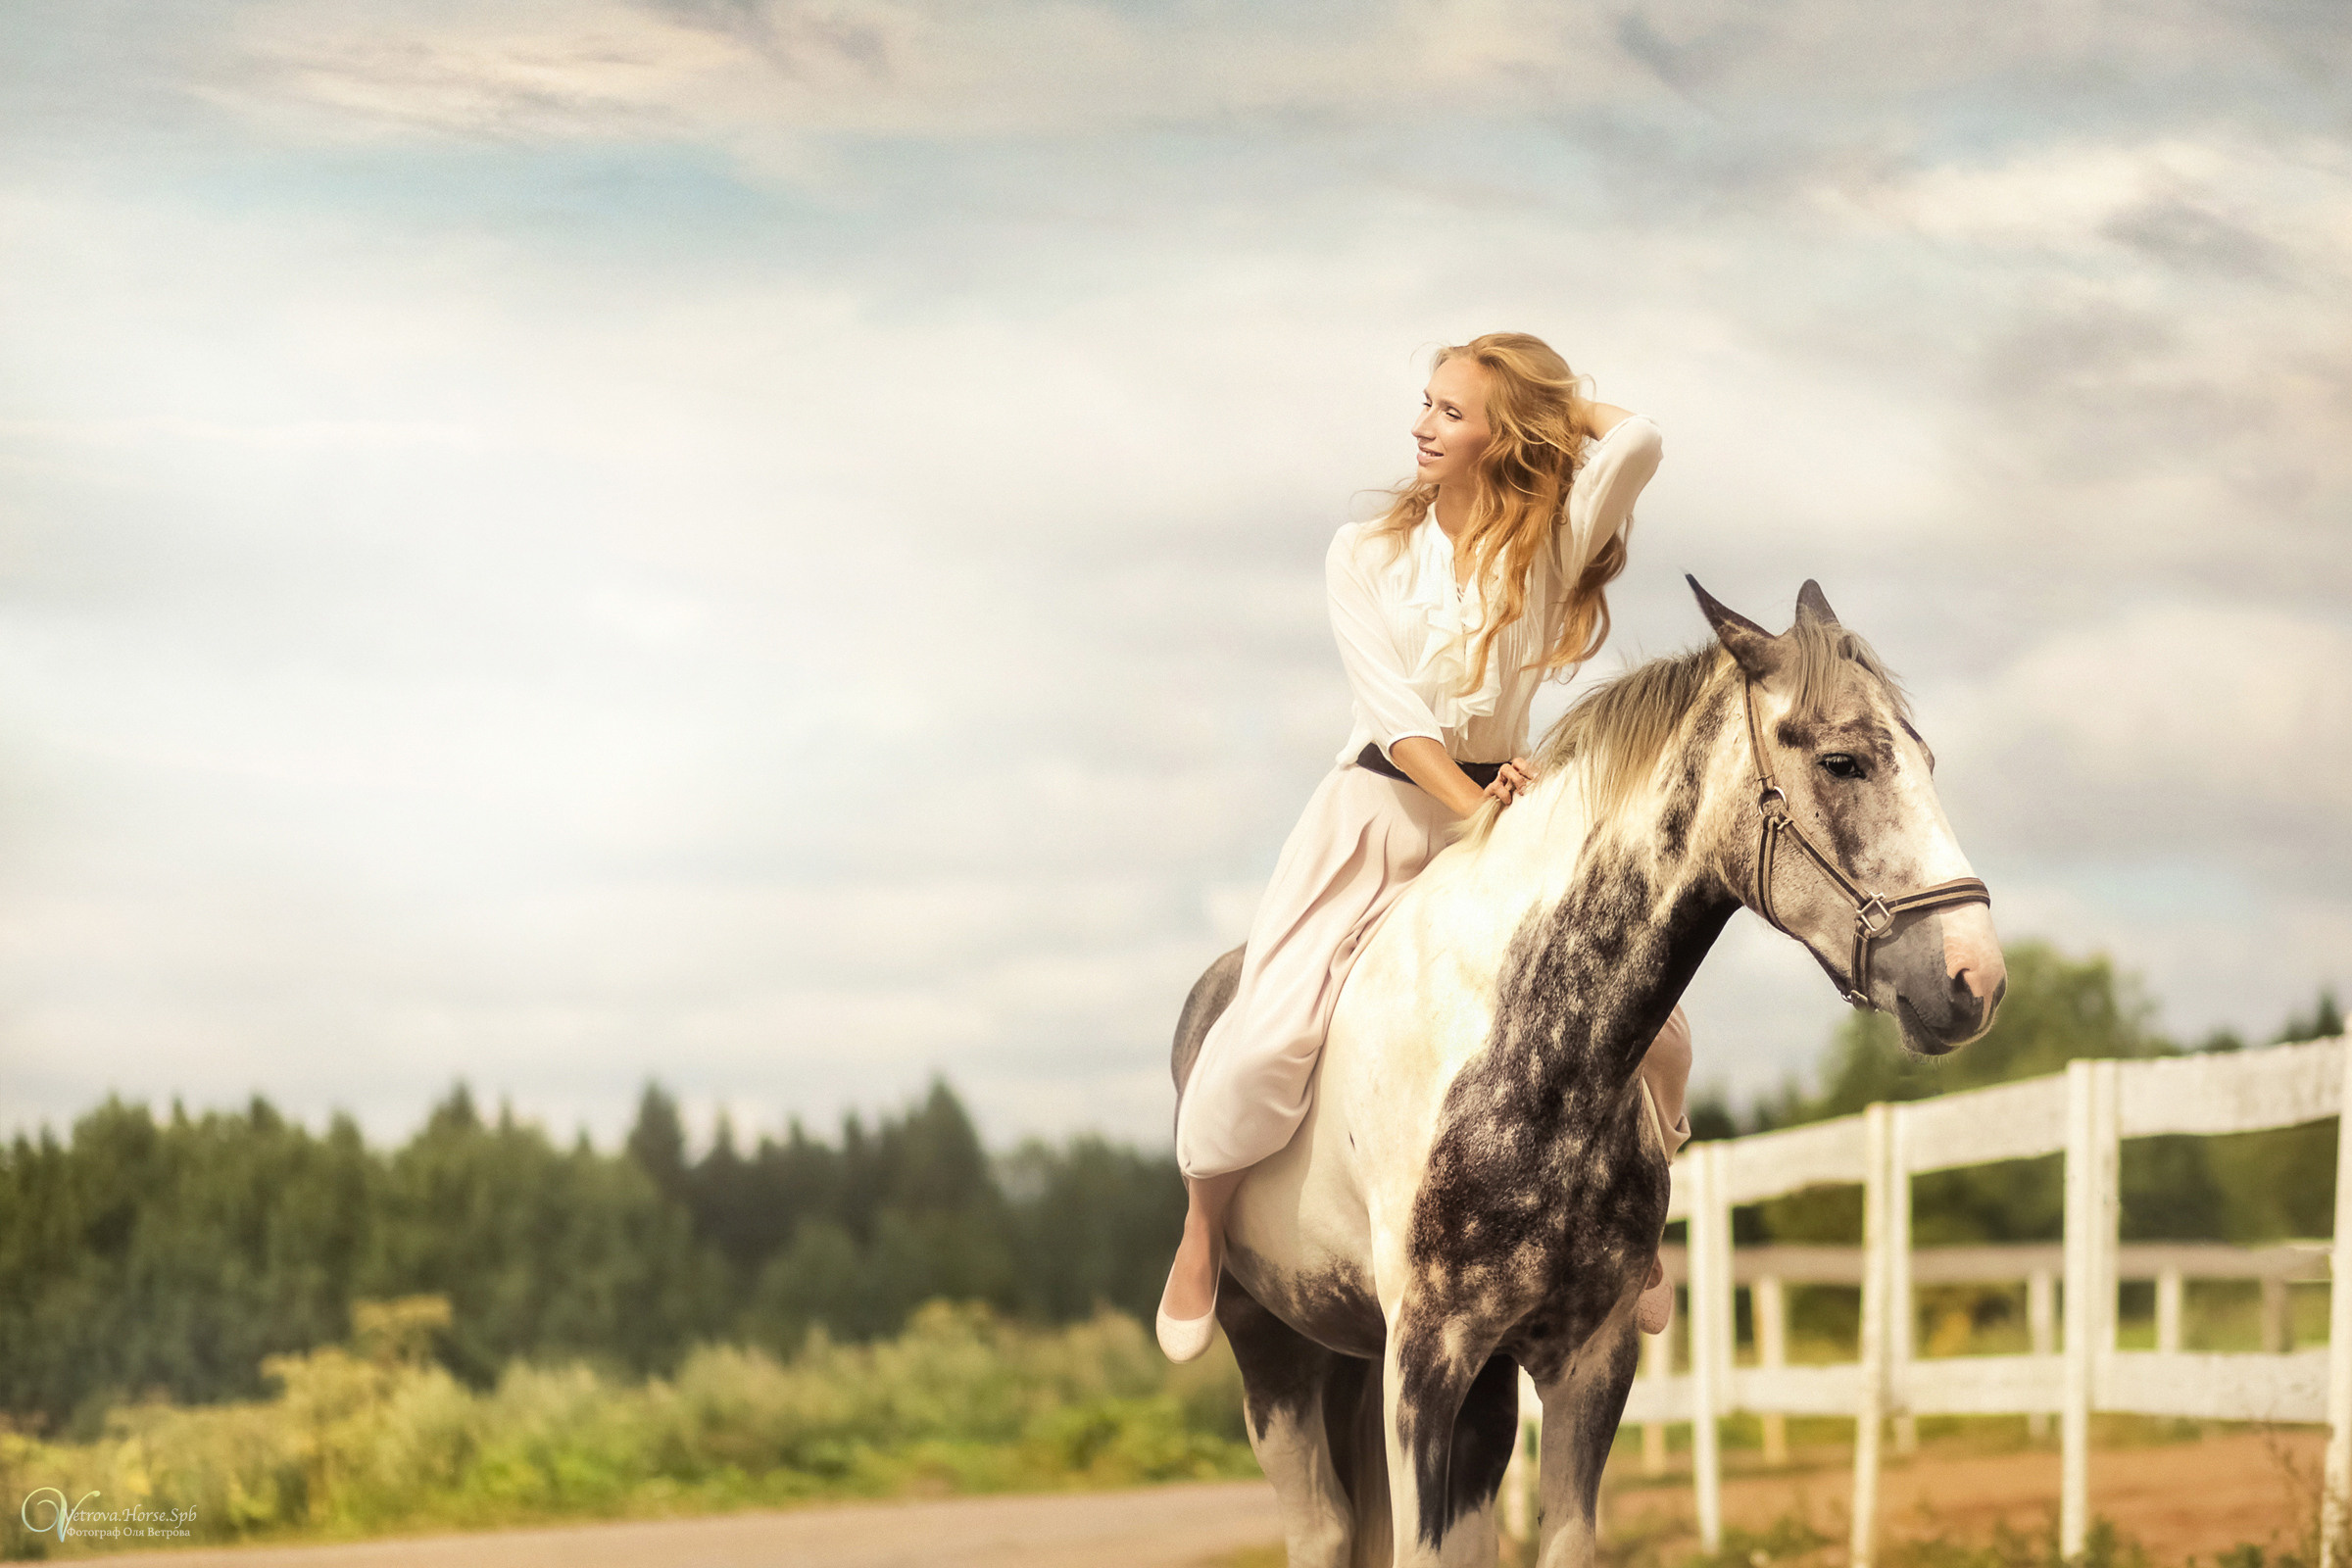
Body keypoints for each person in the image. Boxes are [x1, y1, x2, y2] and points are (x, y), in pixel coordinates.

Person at [1158, 332, 1690, 1363]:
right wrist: (1480, 806)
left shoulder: (1552, 542)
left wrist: (1548, 399)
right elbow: (1397, 720)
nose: (1422, 425)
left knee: (1656, 1030)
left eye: (1451, 410)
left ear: (1507, 433)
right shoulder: (1363, 554)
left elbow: (1639, 442)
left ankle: (1637, 1228)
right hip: (1380, 812)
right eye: (1426, 403)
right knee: (1266, 1037)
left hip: (1504, 805)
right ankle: (1202, 1224)